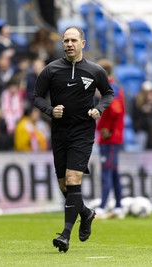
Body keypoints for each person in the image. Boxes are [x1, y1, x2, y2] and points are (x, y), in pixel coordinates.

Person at [33, 26, 114, 253]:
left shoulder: (95, 71)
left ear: (83, 43)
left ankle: (66, 234)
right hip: (59, 132)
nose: (69, 44)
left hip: (83, 131)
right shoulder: (51, 70)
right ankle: (86, 213)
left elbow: (108, 93)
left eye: (73, 40)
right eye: (66, 40)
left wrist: (99, 109)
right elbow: (36, 96)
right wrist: (50, 110)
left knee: (72, 178)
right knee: (63, 183)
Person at [94, 59, 125, 219]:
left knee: (106, 171)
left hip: (110, 138)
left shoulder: (110, 87)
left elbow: (116, 110)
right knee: (113, 172)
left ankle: (102, 206)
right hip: (114, 137)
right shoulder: (115, 87)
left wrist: (109, 129)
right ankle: (119, 206)